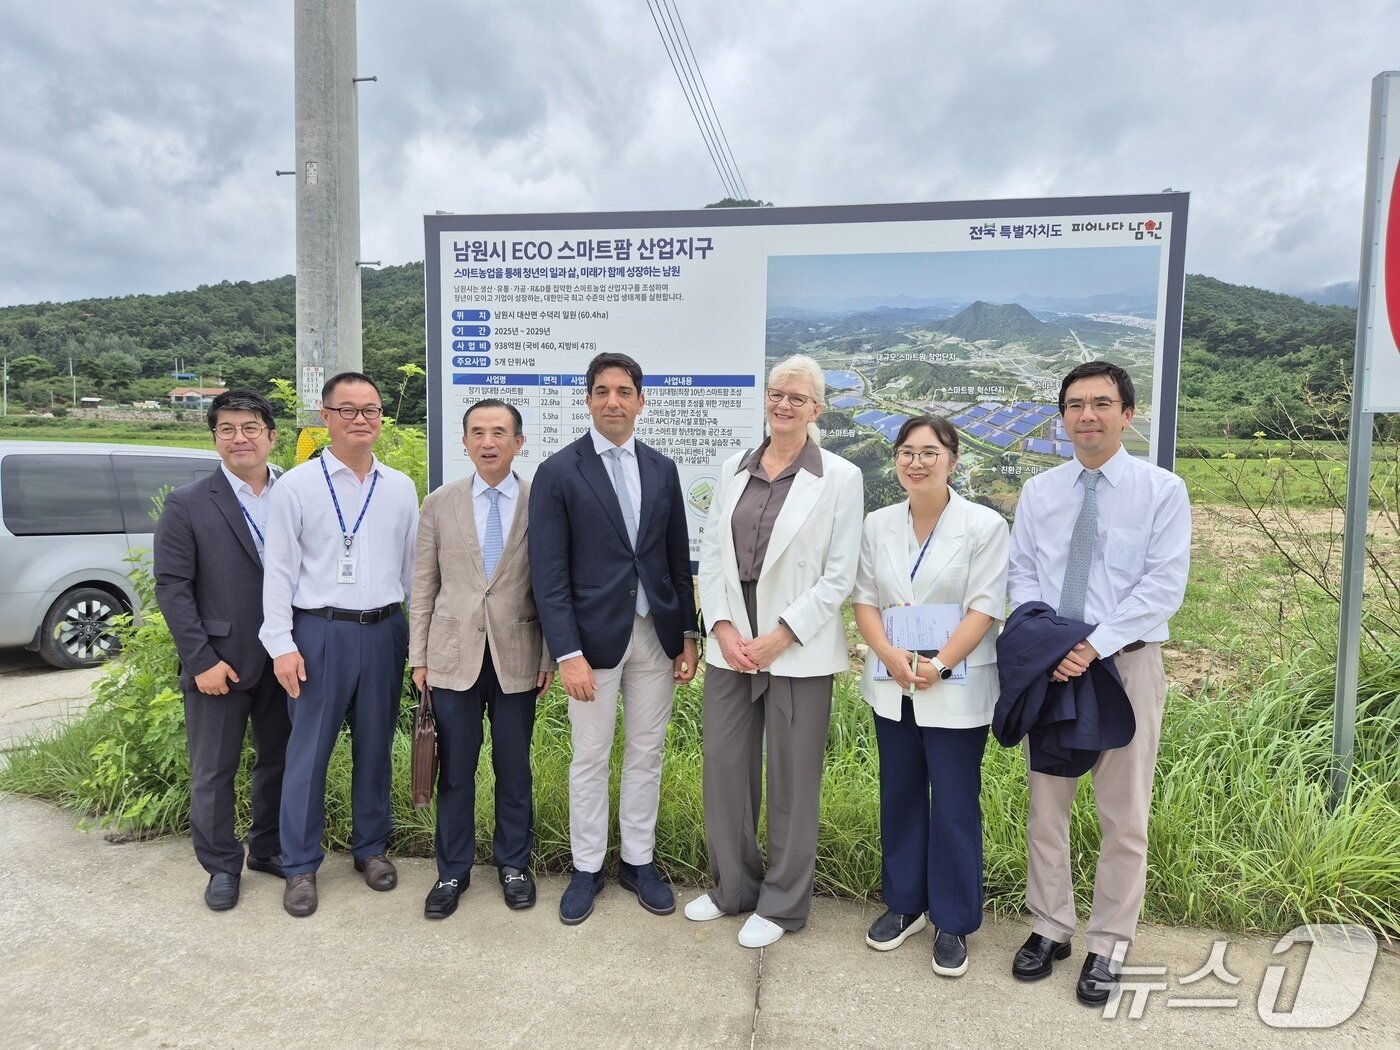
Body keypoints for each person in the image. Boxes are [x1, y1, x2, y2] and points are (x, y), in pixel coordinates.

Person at [1005, 360, 1190, 1005]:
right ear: (1063, 418)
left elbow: (1163, 587)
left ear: (1126, 414)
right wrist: (1053, 643)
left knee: (1124, 813)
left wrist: (1092, 644)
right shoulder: (1040, 493)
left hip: (1125, 664)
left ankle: (1108, 942)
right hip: (1054, 667)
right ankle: (1049, 925)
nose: (1088, 415)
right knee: (1047, 806)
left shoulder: (1162, 490)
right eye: (1076, 405)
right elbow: (1023, 576)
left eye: (1102, 404)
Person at [686, 354, 863, 949]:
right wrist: (724, 628)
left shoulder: (840, 476)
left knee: (793, 777)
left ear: (817, 408)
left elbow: (840, 575)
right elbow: (711, 556)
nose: (783, 404)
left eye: (797, 396)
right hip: (732, 645)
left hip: (798, 647)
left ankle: (784, 904)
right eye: (775, 394)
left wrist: (783, 633)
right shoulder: (734, 467)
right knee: (725, 768)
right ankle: (732, 887)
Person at [528, 352, 699, 925]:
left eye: (624, 391)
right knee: (591, 756)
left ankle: (637, 861)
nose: (613, 402)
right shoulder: (559, 472)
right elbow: (548, 575)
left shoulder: (662, 468)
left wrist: (687, 635)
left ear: (641, 401)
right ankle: (586, 867)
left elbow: (677, 558)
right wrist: (567, 653)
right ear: (588, 401)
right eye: (601, 391)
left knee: (647, 754)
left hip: (656, 636)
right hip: (592, 644)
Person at [851, 415, 1009, 976]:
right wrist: (891, 657)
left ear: (953, 460)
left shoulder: (984, 526)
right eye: (906, 453)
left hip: (956, 682)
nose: (916, 463)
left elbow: (985, 607)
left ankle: (954, 919)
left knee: (955, 805)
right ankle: (905, 904)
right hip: (894, 682)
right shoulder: (877, 524)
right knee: (899, 794)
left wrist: (939, 664)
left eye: (929, 452)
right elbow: (865, 600)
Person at [260, 371, 419, 918]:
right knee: (308, 751)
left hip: (384, 630)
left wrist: (415, 643)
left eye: (370, 410)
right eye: (347, 409)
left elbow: (414, 572)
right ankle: (300, 864)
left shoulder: (399, 487)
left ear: (381, 419)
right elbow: (277, 572)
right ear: (324, 417)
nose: (360, 419)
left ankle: (370, 849)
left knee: (376, 746)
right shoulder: (297, 487)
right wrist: (281, 643)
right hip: (318, 632)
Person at [409, 399, 553, 919]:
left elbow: (550, 587)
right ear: (464, 442)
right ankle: (452, 871)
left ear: (519, 442)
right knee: (455, 771)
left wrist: (549, 657)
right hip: (451, 656)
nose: (488, 442)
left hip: (518, 653)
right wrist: (418, 656)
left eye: (499, 432)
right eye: (477, 432)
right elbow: (424, 585)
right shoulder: (440, 503)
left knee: (514, 768)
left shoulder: (542, 501)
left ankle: (514, 864)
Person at [153, 390, 292, 911]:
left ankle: (268, 847)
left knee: (277, 760)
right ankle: (220, 865)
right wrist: (201, 660)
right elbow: (172, 587)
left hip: (284, 658)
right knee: (214, 769)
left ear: (271, 435)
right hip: (221, 660)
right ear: (214, 438)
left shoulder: (294, 492)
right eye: (228, 429)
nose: (240, 438)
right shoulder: (188, 502)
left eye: (251, 427)